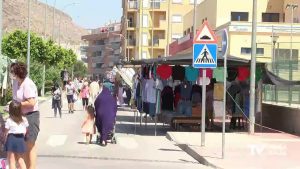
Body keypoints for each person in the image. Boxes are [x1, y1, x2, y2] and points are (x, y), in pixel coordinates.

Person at [10, 62, 39, 169]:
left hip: (31, 116)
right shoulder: (16, 83)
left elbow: (32, 102)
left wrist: (17, 104)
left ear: (18, 73)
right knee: (22, 145)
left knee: (30, 145)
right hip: (19, 116)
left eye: (12, 72)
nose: (11, 74)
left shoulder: (28, 84)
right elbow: (15, 99)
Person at [4, 101, 28, 169]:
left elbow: (6, 132)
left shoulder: (9, 120)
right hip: (20, 139)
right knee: (21, 159)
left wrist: (5, 140)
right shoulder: (24, 119)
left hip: (11, 139)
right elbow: (26, 130)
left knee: (12, 160)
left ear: (10, 110)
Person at [94, 81, 117, 146]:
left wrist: (98, 111)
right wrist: (114, 114)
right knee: (107, 124)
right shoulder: (112, 97)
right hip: (109, 117)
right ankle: (104, 139)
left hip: (100, 116)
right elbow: (115, 107)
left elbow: (95, 104)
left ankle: (103, 139)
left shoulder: (100, 96)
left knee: (101, 123)